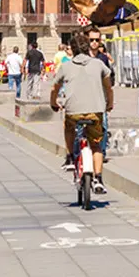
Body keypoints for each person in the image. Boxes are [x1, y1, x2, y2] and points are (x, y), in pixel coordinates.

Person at [51, 32, 113, 193]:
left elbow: (54, 88)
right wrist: (109, 104)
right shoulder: (99, 64)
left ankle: (70, 157)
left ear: (72, 50)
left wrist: (53, 102)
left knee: (68, 126)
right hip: (96, 111)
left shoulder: (65, 66)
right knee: (96, 144)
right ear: (86, 48)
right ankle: (98, 179)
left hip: (73, 112)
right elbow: (108, 86)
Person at [86, 26, 112, 158]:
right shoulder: (83, 57)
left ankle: (101, 153)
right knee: (81, 127)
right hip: (85, 97)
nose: (94, 42)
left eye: (97, 40)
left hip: (100, 97)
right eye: (91, 40)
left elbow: (108, 79)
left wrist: (109, 98)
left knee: (103, 126)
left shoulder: (103, 58)